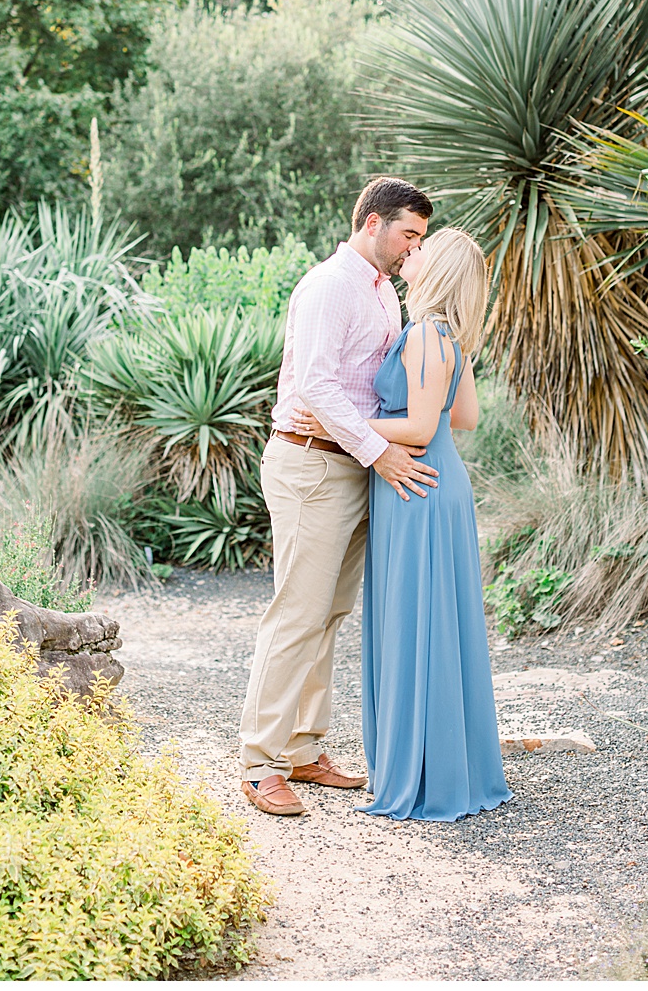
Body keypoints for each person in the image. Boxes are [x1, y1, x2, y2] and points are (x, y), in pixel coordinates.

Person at [292, 227, 512, 821]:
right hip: (440, 483)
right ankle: (445, 763)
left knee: (416, 620)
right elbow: (462, 418)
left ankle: (418, 775)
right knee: (440, 623)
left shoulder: (422, 334)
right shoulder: (450, 335)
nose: (410, 254)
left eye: (421, 250)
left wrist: (343, 422)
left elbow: (417, 428)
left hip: (414, 486)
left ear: (436, 270)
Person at [238, 177, 439, 817]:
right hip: (311, 464)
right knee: (297, 613)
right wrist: (383, 452)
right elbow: (317, 387)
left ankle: (302, 748)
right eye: (409, 234)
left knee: (328, 616)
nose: (414, 249)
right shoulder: (330, 286)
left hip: (355, 466)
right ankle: (258, 765)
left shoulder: (385, 294)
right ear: (373, 223)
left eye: (421, 239)